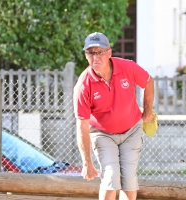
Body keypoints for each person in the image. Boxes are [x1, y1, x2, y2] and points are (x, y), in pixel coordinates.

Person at [73, 32, 154, 200]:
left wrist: (147, 111)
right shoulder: (83, 85)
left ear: (109, 52)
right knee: (110, 177)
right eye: (90, 53)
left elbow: (148, 81)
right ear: (86, 55)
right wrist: (87, 162)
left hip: (131, 131)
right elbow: (82, 126)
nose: (95, 57)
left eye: (99, 52)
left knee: (129, 181)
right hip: (103, 134)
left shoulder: (127, 67)